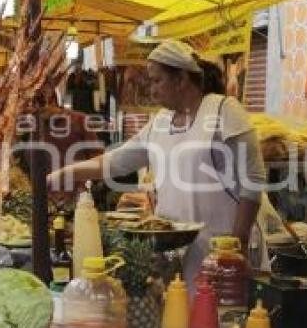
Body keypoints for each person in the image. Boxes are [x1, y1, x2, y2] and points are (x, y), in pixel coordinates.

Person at [48, 40, 266, 289]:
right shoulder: (160, 121)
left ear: (181, 79)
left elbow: (254, 177)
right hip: (177, 254)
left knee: (221, 322)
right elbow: (116, 161)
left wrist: (237, 247)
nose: (151, 90)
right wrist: (64, 173)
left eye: (157, 80)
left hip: (222, 254)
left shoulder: (223, 110)